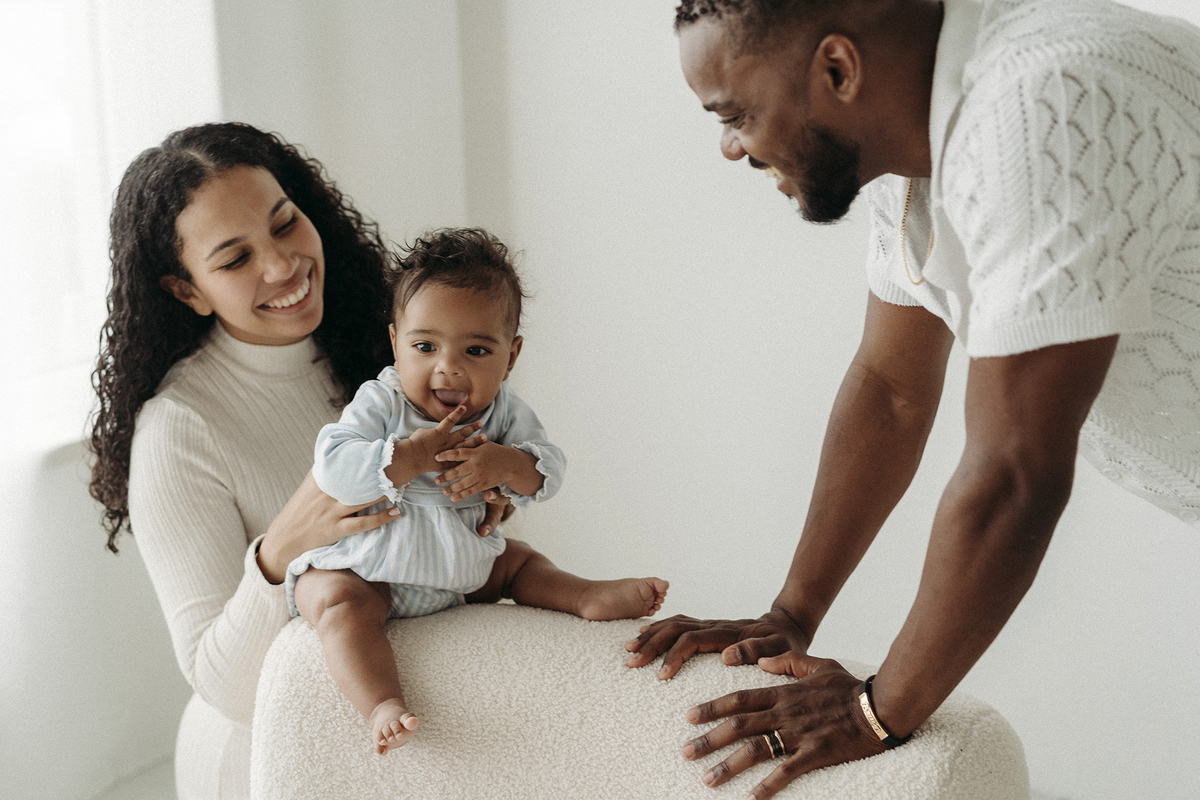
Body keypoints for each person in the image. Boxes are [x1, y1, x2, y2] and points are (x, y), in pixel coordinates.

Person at [624, 1, 1200, 797]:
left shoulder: (1038, 105)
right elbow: (890, 386)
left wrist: (877, 709)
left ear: (837, 70)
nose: (730, 146)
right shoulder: (917, 132)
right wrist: (791, 613)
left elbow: (1016, 473)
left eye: (737, 113)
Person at [91, 123, 532, 799]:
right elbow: (223, 686)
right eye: (235, 260)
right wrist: (280, 553)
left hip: (401, 752)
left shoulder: (388, 355)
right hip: (260, 765)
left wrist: (490, 493)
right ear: (189, 291)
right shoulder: (178, 430)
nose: (283, 266)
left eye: (285, 224)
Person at [286, 227, 670, 754]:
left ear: (510, 357)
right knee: (335, 606)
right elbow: (333, 468)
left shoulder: (505, 412)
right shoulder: (382, 401)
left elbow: (549, 471)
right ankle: (381, 703)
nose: (449, 366)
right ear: (396, 342)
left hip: (457, 565)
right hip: (369, 565)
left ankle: (582, 595)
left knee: (519, 563)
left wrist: (507, 465)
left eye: (476, 349)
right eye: (425, 346)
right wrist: (408, 456)